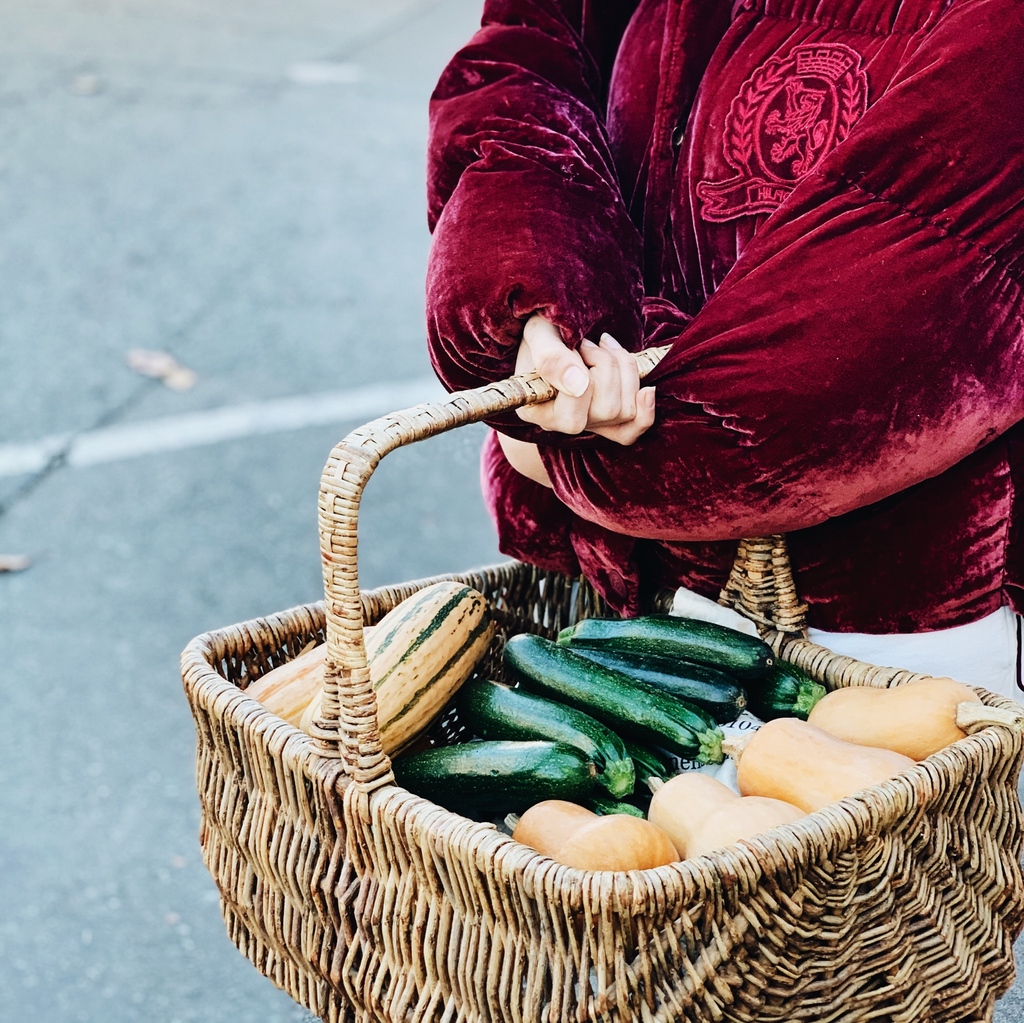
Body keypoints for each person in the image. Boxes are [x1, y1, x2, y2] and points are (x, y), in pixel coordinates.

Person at [423, 0, 1024, 701]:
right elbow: (529, 59)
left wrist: (550, 445)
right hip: (636, 596)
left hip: (891, 632)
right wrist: (530, 310)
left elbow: (863, 364)